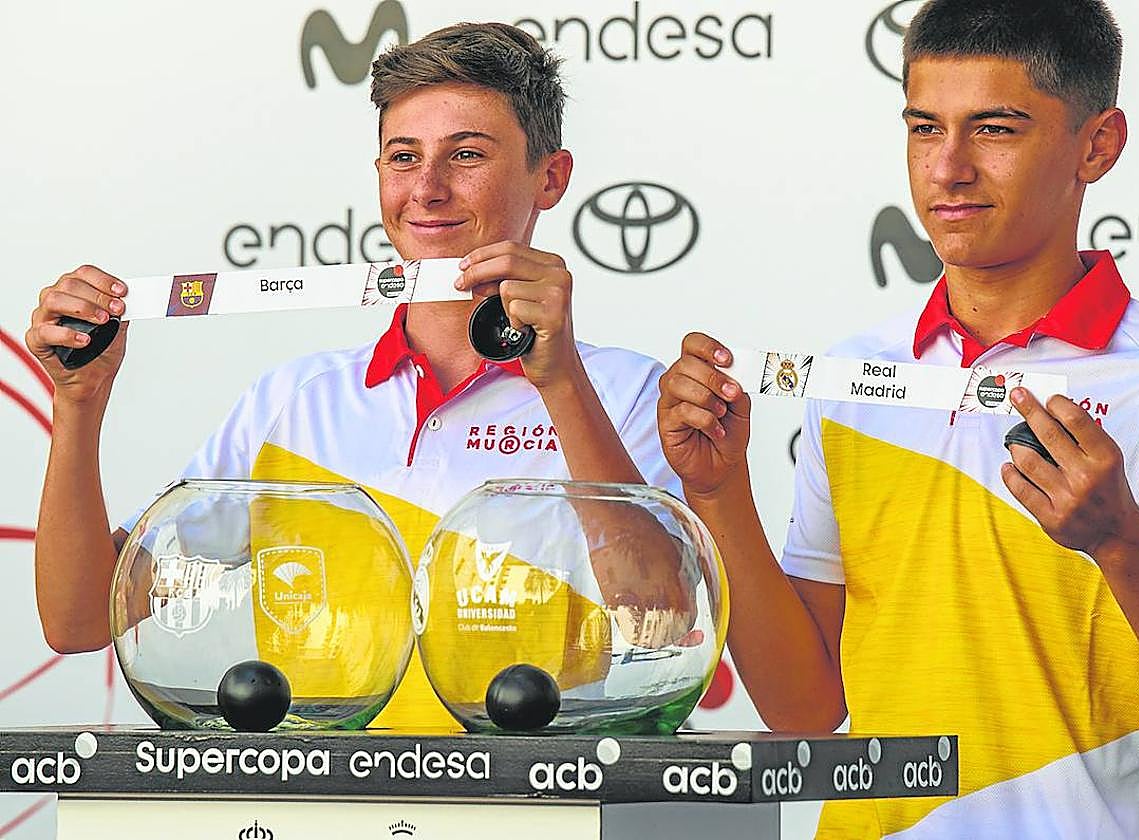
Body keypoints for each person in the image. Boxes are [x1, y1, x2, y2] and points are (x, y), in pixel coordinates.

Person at [25, 22, 681, 732]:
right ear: (378, 177)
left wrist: (558, 383)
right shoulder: (295, 402)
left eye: (466, 155)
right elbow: (82, 620)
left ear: (550, 178)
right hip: (325, 809)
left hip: (547, 812)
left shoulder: (626, 395)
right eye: (404, 158)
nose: (427, 189)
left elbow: (662, 621)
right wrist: (78, 406)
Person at [658, 0, 1139, 836]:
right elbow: (805, 708)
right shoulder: (849, 377)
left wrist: (1121, 540)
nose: (947, 169)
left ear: (1099, 144)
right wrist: (721, 493)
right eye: (923, 128)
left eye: (995, 130)